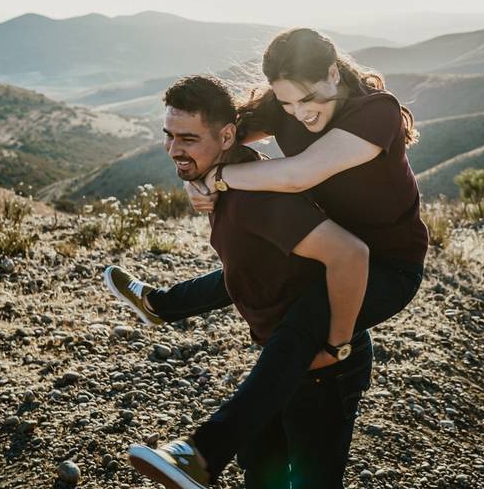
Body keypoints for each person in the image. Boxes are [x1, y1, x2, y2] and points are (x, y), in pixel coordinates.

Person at [109, 28, 429, 486]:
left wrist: (219, 180)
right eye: (288, 103)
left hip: (389, 265)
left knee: (304, 324)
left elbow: (300, 174)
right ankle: (162, 306)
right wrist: (194, 175)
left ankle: (202, 453)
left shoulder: (376, 113)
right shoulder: (284, 106)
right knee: (258, 270)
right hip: (332, 248)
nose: (301, 113)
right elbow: (214, 135)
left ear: (334, 72)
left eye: (309, 99)